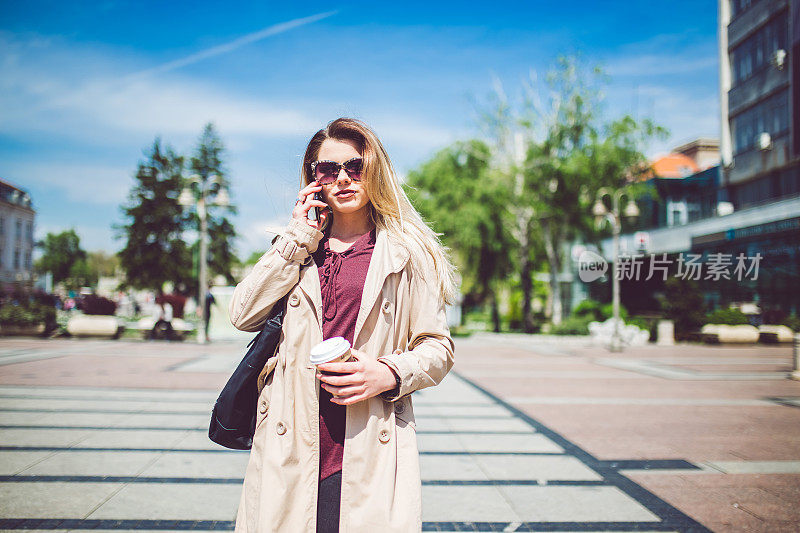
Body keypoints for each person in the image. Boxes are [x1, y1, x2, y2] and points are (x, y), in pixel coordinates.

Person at [229, 117, 458, 532]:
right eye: (328, 169)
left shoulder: (407, 253)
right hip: (290, 441)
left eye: (355, 167)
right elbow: (242, 314)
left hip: (365, 439)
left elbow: (437, 347)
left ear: (374, 171)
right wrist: (299, 236)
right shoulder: (298, 247)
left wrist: (387, 372)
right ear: (313, 178)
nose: (342, 179)